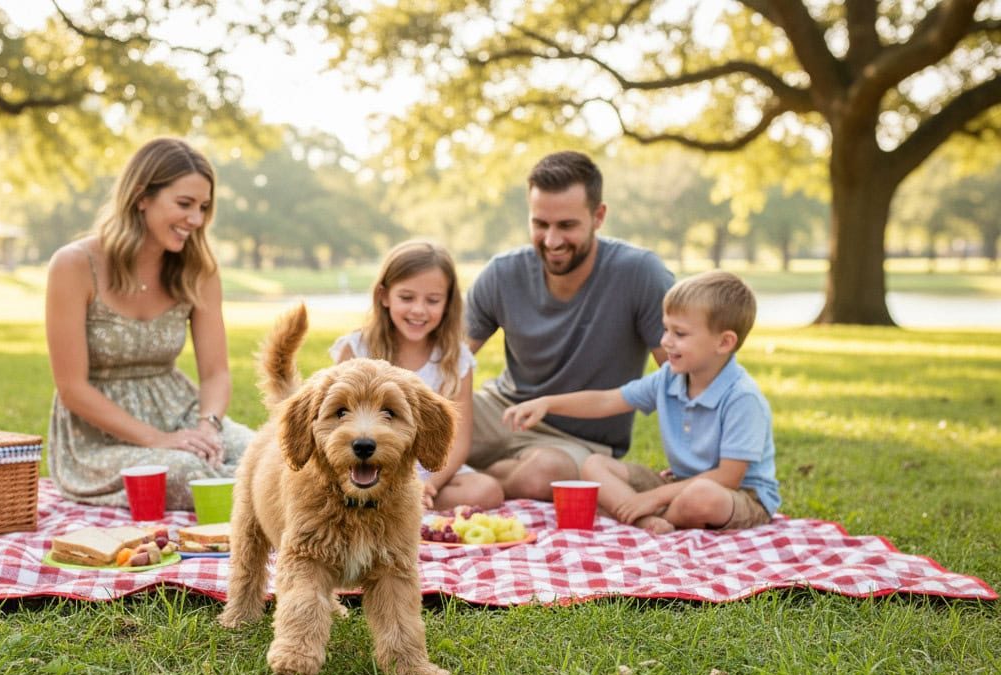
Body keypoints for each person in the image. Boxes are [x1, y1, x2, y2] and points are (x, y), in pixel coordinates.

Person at [45, 137, 253, 510]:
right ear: (142, 197)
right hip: (97, 437)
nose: (197, 220)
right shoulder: (74, 265)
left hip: (180, 412)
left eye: (204, 207)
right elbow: (72, 387)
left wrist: (208, 426)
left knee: (265, 455)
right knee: (183, 470)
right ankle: (258, 508)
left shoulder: (199, 269)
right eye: (184, 204)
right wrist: (156, 439)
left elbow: (215, 373)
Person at [465, 150, 675, 500]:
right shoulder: (503, 273)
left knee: (542, 475)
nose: (551, 241)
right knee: (412, 431)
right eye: (540, 224)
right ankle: (482, 477)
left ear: (599, 216)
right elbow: (446, 360)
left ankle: (476, 483)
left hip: (580, 442)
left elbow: (683, 376)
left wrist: (699, 462)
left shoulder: (640, 274)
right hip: (503, 410)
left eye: (566, 225)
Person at [503, 271, 779, 533]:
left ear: (724, 342)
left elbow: (727, 478)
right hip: (677, 484)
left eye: (679, 334)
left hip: (738, 495)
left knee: (701, 497)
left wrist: (654, 496)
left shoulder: (742, 398)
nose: (665, 341)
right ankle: (646, 519)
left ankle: (646, 515)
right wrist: (548, 403)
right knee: (594, 465)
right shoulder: (669, 378)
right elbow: (607, 401)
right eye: (666, 329)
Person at [331, 240, 504, 511]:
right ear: (384, 296)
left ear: (448, 303)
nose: (419, 310)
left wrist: (431, 483)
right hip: (366, 458)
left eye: (433, 300)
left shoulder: (456, 359)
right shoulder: (356, 348)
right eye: (407, 297)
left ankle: (402, 503)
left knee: (487, 490)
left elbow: (459, 440)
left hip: (428, 467)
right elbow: (336, 416)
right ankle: (391, 502)